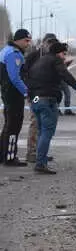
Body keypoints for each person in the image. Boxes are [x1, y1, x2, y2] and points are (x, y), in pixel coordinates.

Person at [27, 41, 76, 174]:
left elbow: (29, 78)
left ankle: (40, 157)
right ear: (58, 53)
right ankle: (40, 163)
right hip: (47, 99)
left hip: (35, 100)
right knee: (47, 132)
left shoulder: (40, 61)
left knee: (41, 131)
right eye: (64, 54)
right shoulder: (55, 60)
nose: (65, 57)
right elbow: (64, 74)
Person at [23, 33, 58, 162]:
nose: (50, 45)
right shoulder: (34, 56)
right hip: (35, 95)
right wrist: (29, 89)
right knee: (35, 122)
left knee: (45, 125)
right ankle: (31, 152)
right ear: (43, 43)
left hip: (49, 95)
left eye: (53, 43)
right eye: (49, 42)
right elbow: (24, 72)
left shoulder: (53, 57)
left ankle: (40, 152)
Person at [0, 29, 32, 166]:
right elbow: (15, 77)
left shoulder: (5, 50)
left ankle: (2, 154)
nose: (28, 43)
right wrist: (26, 92)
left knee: (8, 125)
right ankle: (10, 157)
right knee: (14, 126)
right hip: (14, 94)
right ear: (18, 40)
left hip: (7, 92)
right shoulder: (15, 54)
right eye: (26, 40)